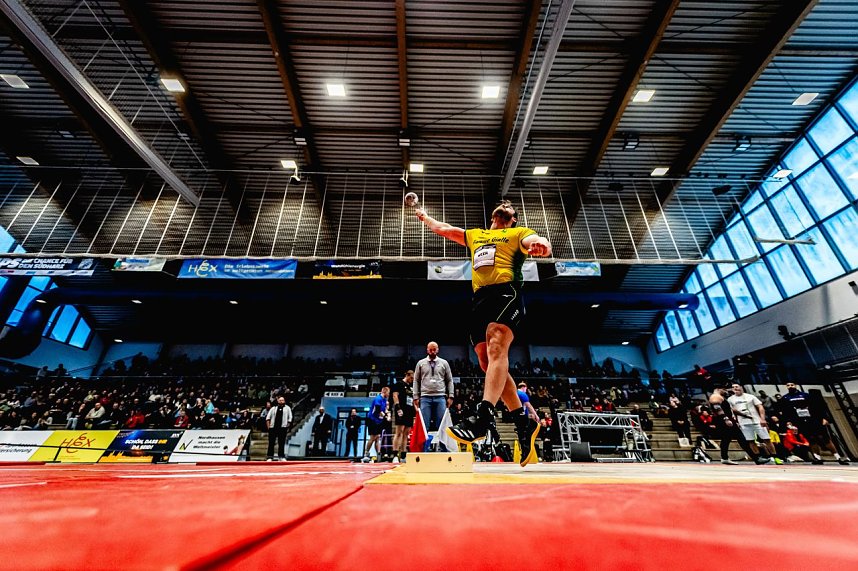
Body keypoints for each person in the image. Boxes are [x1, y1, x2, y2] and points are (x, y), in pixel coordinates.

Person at [415, 199, 552, 467]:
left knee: (497, 344)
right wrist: (426, 218)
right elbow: (445, 229)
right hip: (480, 299)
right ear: (493, 213)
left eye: (510, 207)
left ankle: (484, 416)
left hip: (506, 292)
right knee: (486, 361)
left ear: (513, 218)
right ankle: (523, 423)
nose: (505, 206)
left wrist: (542, 243)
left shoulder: (517, 233)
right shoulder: (476, 234)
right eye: (502, 204)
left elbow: (534, 239)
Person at [780, 381, 849, 465]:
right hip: (801, 421)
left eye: (792, 385)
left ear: (795, 385)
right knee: (811, 439)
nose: (790, 386)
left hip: (814, 419)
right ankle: (817, 458)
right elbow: (786, 412)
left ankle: (838, 457)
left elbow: (818, 407)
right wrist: (788, 422)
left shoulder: (806, 395)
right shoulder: (785, 398)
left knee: (824, 438)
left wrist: (824, 418)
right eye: (788, 385)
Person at [709, 385, 769, 465]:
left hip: (725, 420)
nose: (726, 391)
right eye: (725, 389)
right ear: (719, 389)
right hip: (725, 421)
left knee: (726, 440)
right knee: (741, 439)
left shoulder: (719, 397)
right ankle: (756, 458)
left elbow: (730, 409)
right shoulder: (716, 396)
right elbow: (717, 408)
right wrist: (726, 419)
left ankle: (724, 458)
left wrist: (744, 415)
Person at [728, 383, 778, 462]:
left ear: (741, 387)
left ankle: (775, 457)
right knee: (750, 440)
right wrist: (736, 421)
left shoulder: (750, 396)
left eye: (736, 386)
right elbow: (732, 411)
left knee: (766, 439)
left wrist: (762, 419)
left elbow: (760, 407)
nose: (735, 388)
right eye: (733, 387)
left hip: (756, 421)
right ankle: (759, 457)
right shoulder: (730, 399)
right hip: (743, 423)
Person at [413, 341, 454, 436]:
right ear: (427, 350)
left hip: (440, 397)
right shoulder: (420, 363)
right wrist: (415, 396)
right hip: (425, 397)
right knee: (424, 425)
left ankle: (445, 449)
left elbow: (450, 380)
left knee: (442, 425)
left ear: (438, 350)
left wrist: (451, 396)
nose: (432, 352)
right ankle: (423, 449)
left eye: (434, 349)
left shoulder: (444, 363)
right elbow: (416, 381)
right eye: (430, 350)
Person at [390, 370, 415, 462]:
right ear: (407, 375)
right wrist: (398, 407)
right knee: (399, 432)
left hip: (409, 410)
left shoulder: (411, 387)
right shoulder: (399, 384)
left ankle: (404, 455)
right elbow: (395, 396)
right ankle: (395, 455)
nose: (412, 380)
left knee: (406, 433)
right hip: (401, 410)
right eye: (411, 378)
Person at [363, 386, 389, 462]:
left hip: (378, 421)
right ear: (384, 392)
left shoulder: (384, 400)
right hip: (372, 420)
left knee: (378, 437)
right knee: (372, 437)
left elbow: (384, 410)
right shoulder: (378, 399)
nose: (388, 394)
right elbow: (377, 410)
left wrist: (387, 413)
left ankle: (378, 454)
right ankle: (366, 453)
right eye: (388, 393)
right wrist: (385, 416)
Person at [266, 395, 292, 461]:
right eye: (280, 400)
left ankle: (281, 456)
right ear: (278, 401)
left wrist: (287, 426)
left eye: (282, 400)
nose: (281, 401)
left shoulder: (287, 408)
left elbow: (290, 418)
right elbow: (268, 418)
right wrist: (269, 427)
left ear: (284, 401)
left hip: (282, 428)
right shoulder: (273, 408)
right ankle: (269, 457)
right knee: (271, 443)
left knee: (282, 443)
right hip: (273, 428)